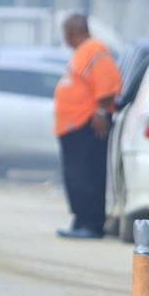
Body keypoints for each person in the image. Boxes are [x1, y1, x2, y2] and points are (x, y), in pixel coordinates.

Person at [55, 13, 122, 239]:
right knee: (75, 177)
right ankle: (81, 219)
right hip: (72, 128)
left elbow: (108, 83)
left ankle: (92, 224)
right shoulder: (82, 52)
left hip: (88, 125)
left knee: (88, 176)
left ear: (72, 32)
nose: (65, 38)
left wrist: (102, 110)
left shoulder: (95, 49)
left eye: (65, 33)